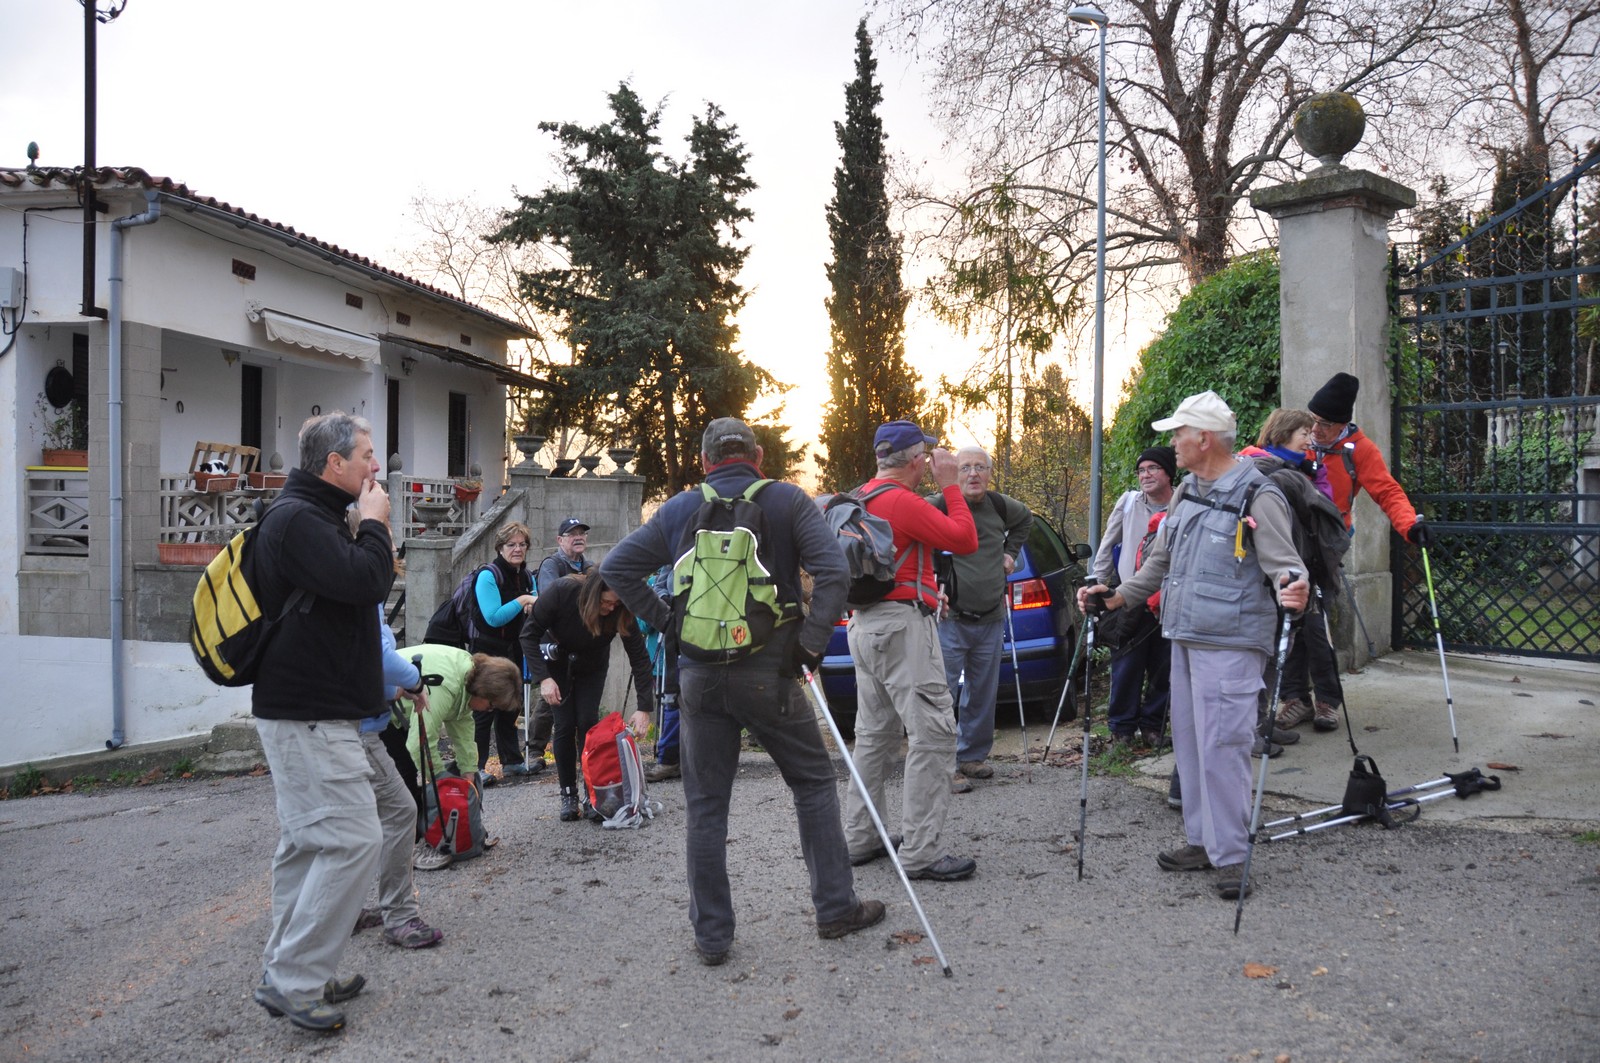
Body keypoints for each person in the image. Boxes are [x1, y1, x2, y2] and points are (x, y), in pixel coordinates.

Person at [600, 416, 884, 965]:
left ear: (706, 462)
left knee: (706, 806)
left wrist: (669, 622)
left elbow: (616, 567)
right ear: (757, 456)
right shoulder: (788, 501)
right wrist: (810, 644)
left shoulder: (679, 508)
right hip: (770, 671)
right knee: (813, 782)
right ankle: (835, 909)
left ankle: (712, 937)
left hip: (699, 675)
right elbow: (834, 574)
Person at [1081, 392, 1308, 901]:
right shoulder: (1187, 491)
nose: (1173, 443)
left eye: (1178, 434)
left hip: (1232, 643)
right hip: (1183, 636)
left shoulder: (1258, 495)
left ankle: (1232, 855)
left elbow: (1286, 565)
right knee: (1189, 746)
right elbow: (1160, 562)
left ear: (1204, 439)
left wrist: (1294, 586)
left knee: (1223, 748)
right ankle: (1204, 841)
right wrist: (1116, 597)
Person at [249, 412, 395, 1032]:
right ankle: (295, 978)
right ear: (334, 464)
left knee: (307, 846)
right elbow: (367, 582)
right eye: (365, 455)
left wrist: (362, 526)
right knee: (355, 839)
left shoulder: (313, 516)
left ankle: (296, 968)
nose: (375, 466)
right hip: (309, 714)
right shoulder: (300, 520)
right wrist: (376, 526)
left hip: (306, 712)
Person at [845, 420, 979, 882]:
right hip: (902, 631)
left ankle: (861, 837)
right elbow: (964, 539)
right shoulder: (902, 501)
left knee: (873, 736)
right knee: (934, 734)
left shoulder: (861, 496)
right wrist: (951, 485)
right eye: (927, 457)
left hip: (864, 627)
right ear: (918, 460)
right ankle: (921, 852)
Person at [1297, 372, 1432, 731]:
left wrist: (1409, 526)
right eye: (1312, 419)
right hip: (1288, 541)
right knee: (1289, 620)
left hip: (1326, 546)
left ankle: (1326, 702)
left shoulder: (1359, 450)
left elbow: (1387, 491)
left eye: (1325, 424)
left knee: (1315, 622)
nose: (1315, 429)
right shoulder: (1301, 436)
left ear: (1342, 424)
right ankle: (1295, 700)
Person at [929, 446, 1032, 788]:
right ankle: (943, 766)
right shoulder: (939, 504)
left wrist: (1010, 553)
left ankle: (971, 757)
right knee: (941, 694)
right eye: (965, 468)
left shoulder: (1001, 506)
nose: (973, 474)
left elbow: (1025, 520)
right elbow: (911, 530)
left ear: (989, 473)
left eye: (980, 467)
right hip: (950, 619)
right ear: (954, 475)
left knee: (982, 693)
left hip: (991, 617)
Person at [518, 572, 654, 822]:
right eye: (606, 602)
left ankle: (593, 793)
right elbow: (528, 635)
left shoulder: (620, 610)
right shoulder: (562, 592)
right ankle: (568, 794)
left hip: (593, 664)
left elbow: (639, 657)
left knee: (587, 722)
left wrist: (644, 707)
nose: (610, 608)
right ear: (593, 595)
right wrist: (544, 678)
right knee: (564, 724)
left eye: (616, 604)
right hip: (557, 662)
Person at [348, 609, 445, 948]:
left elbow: (360, 660)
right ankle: (400, 916)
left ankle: (343, 911)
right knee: (401, 811)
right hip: (358, 729)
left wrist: (393, 689)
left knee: (348, 822)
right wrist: (414, 681)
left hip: (343, 722)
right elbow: (377, 653)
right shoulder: (361, 587)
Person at [1241, 409, 1337, 740]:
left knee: (1313, 635)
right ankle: (1270, 716)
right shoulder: (1257, 467)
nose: (1311, 440)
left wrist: (1316, 476)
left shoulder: (1303, 469)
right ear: (1283, 434)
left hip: (1305, 566)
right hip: (1271, 571)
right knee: (1276, 644)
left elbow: (1325, 507)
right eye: (1304, 434)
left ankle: (1323, 702)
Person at [392, 644, 524, 869]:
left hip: (398, 707)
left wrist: (468, 770)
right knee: (405, 781)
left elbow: (462, 727)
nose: (489, 710)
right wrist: (440, 777)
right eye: (491, 706)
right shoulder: (447, 687)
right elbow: (419, 743)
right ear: (483, 690)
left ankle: (444, 836)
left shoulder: (467, 678)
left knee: (419, 779)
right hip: (379, 707)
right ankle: (411, 849)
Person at [1090, 445, 1176, 748]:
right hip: (1129, 599)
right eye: (1141, 470)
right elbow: (1107, 545)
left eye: (1153, 468)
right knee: (1126, 665)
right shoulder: (1128, 503)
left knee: (1164, 667)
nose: (1145, 475)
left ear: (1169, 473)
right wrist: (1097, 586)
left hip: (1169, 602)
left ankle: (1153, 727)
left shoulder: (1182, 505)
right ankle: (1122, 730)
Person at [469, 522, 539, 786]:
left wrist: (531, 604)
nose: (517, 549)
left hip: (515, 648)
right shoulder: (488, 576)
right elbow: (493, 617)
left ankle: (511, 761)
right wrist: (524, 600)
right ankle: (474, 767)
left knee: (511, 706)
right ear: (500, 547)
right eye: (511, 545)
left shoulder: (527, 576)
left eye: (522, 544)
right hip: (487, 652)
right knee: (483, 710)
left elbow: (537, 606)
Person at [523, 517, 592, 766]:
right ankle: (534, 750)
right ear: (559, 540)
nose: (578, 537)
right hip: (554, 641)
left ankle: (584, 752)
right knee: (552, 695)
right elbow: (553, 600)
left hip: (583, 642)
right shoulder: (551, 565)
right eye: (572, 534)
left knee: (580, 700)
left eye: (582, 533)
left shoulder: (590, 566)